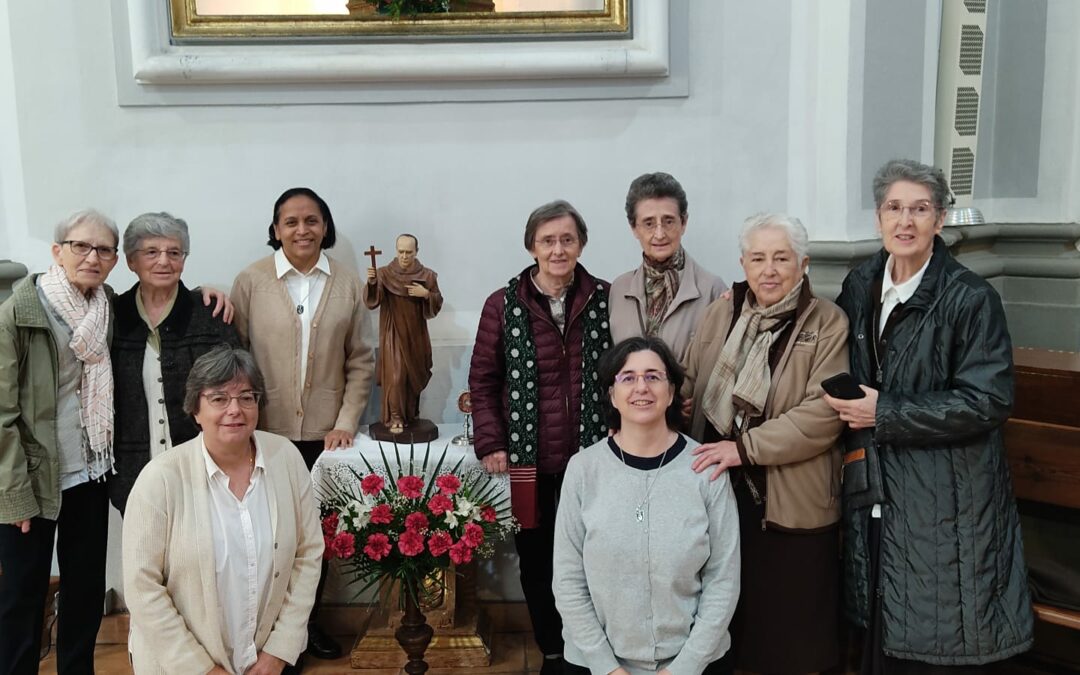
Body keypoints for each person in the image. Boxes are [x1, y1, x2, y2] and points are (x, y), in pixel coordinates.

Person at [824, 159, 1033, 673]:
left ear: (940, 220)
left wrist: (886, 411)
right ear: (878, 217)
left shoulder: (971, 298)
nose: (905, 221)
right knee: (885, 621)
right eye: (894, 208)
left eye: (920, 209)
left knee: (935, 635)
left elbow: (988, 400)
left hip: (948, 495)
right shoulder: (861, 285)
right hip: (879, 486)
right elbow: (824, 336)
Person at [683, 212, 849, 674]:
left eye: (782, 257)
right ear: (743, 263)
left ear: (804, 263)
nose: (769, 269)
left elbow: (823, 413)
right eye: (758, 258)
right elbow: (692, 381)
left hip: (790, 496)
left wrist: (744, 448)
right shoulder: (722, 310)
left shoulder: (828, 321)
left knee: (793, 628)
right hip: (720, 491)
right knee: (731, 618)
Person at [230, 186, 375, 660]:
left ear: (326, 227)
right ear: (275, 231)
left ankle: (304, 629)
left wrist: (346, 420)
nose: (301, 230)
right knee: (263, 536)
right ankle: (261, 638)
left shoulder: (348, 283)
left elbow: (361, 360)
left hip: (323, 437)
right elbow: (236, 356)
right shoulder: (252, 281)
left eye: (311, 220)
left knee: (312, 538)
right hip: (262, 434)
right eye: (290, 222)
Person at [469, 199, 611, 674]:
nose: (557, 249)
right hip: (530, 462)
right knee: (539, 562)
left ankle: (594, 650)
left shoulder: (605, 299)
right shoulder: (503, 303)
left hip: (594, 459)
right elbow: (484, 380)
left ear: (582, 244)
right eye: (547, 240)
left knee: (596, 558)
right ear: (531, 246)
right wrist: (491, 443)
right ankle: (553, 650)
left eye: (567, 239)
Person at [123, 346, 322, 675]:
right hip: (178, 667)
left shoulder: (285, 458)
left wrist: (278, 650)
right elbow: (142, 587)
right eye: (219, 399)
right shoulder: (160, 479)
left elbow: (308, 553)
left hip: (267, 663)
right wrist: (201, 669)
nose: (236, 410)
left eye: (247, 397)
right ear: (195, 409)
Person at [554, 336, 740, 675]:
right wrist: (606, 666)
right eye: (628, 377)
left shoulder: (706, 469)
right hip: (596, 663)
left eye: (653, 376)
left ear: (671, 393)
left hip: (694, 662)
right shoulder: (583, 470)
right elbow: (568, 580)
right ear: (612, 393)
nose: (642, 387)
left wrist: (684, 667)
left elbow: (723, 580)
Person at [0, 209, 121, 674]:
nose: (92, 256)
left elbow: (159, 303)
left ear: (113, 260)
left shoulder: (106, 305)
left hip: (90, 469)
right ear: (57, 252)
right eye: (80, 246)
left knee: (86, 588)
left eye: (103, 249)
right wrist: (13, 496)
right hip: (30, 479)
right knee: (21, 595)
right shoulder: (19, 312)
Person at [109, 212, 240, 515]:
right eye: (151, 252)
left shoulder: (210, 314)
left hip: (205, 467)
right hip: (134, 471)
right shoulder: (114, 316)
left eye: (174, 252)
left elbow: (238, 387)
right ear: (131, 261)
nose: (164, 262)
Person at [610, 172, 727, 360]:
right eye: (649, 223)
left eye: (668, 221)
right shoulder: (619, 290)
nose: (659, 234)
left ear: (684, 222)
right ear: (634, 228)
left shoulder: (712, 290)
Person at [363, 233, 443, 437]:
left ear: (416, 251)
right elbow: (373, 301)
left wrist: (426, 295)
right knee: (396, 377)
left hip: (416, 335)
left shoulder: (427, 276)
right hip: (393, 333)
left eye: (409, 252)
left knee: (411, 377)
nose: (405, 256)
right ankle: (396, 416)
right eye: (401, 252)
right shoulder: (384, 274)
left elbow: (436, 303)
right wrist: (372, 283)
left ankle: (410, 415)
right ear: (396, 251)